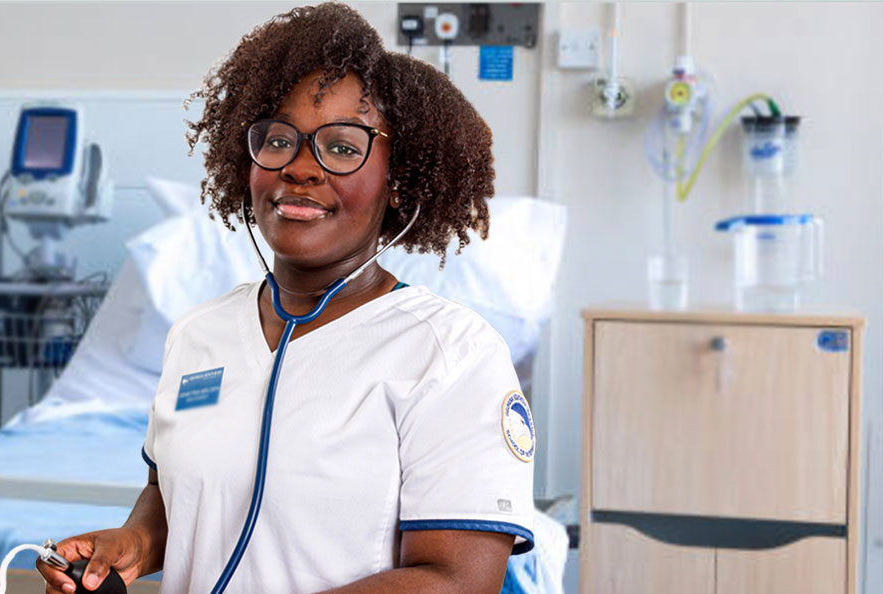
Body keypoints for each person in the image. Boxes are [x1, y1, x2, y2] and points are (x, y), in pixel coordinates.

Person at [37, 4, 533, 593]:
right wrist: (133, 545)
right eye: (278, 140)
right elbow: (177, 498)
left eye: (343, 148)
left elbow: (458, 580)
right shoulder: (199, 335)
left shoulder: (450, 353)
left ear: (397, 180)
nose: (300, 168)